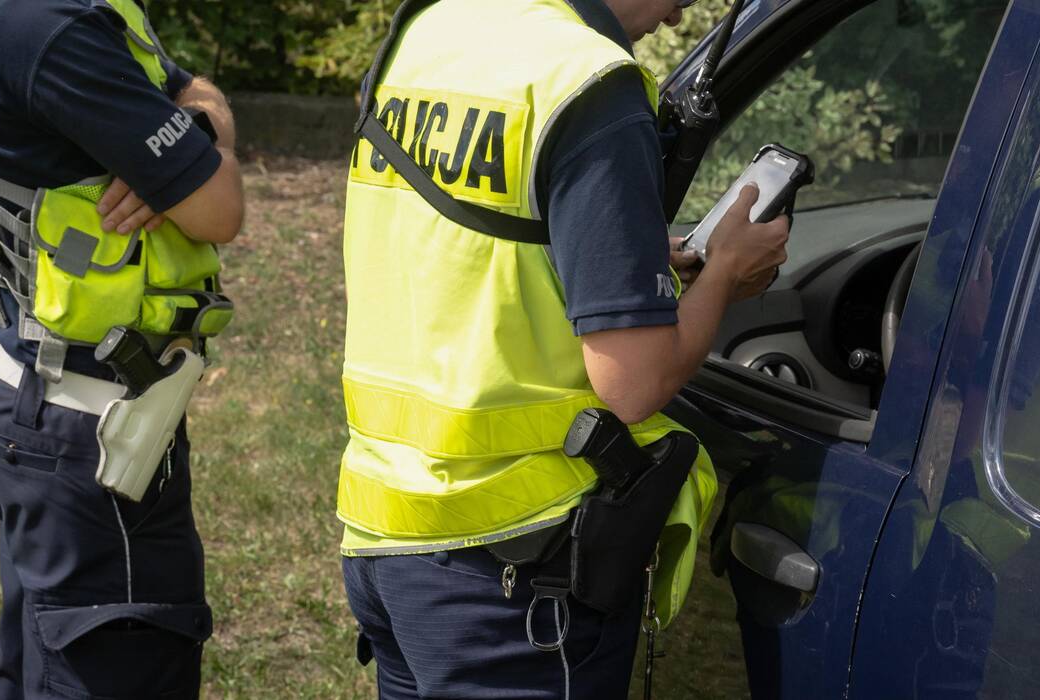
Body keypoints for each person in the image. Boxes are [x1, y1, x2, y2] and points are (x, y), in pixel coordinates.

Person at [336, 0, 789, 696]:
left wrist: (607, 264)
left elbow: (468, 245)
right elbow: (633, 384)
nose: (675, 19)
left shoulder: (430, 28)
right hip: (514, 574)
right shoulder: (588, 80)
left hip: (384, 536)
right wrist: (725, 274)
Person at [0, 0, 243, 697]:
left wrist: (198, 126)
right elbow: (220, 205)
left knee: (38, 663)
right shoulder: (54, 29)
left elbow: (193, 90)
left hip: (26, 388)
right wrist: (202, 147)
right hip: (97, 436)